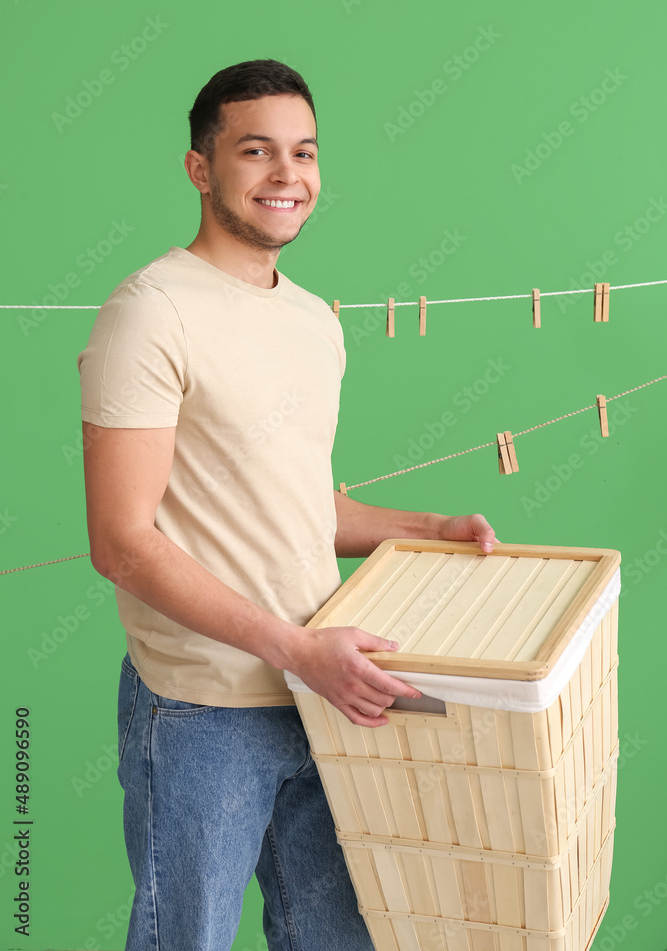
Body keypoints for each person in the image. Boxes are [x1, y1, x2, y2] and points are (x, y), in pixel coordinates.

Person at [77, 58, 497, 951]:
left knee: (336, 940)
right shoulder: (150, 314)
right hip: (202, 709)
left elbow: (300, 502)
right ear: (200, 168)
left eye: (302, 153)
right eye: (255, 151)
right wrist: (298, 649)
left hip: (320, 695)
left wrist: (432, 532)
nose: (285, 175)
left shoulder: (314, 319)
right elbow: (121, 541)